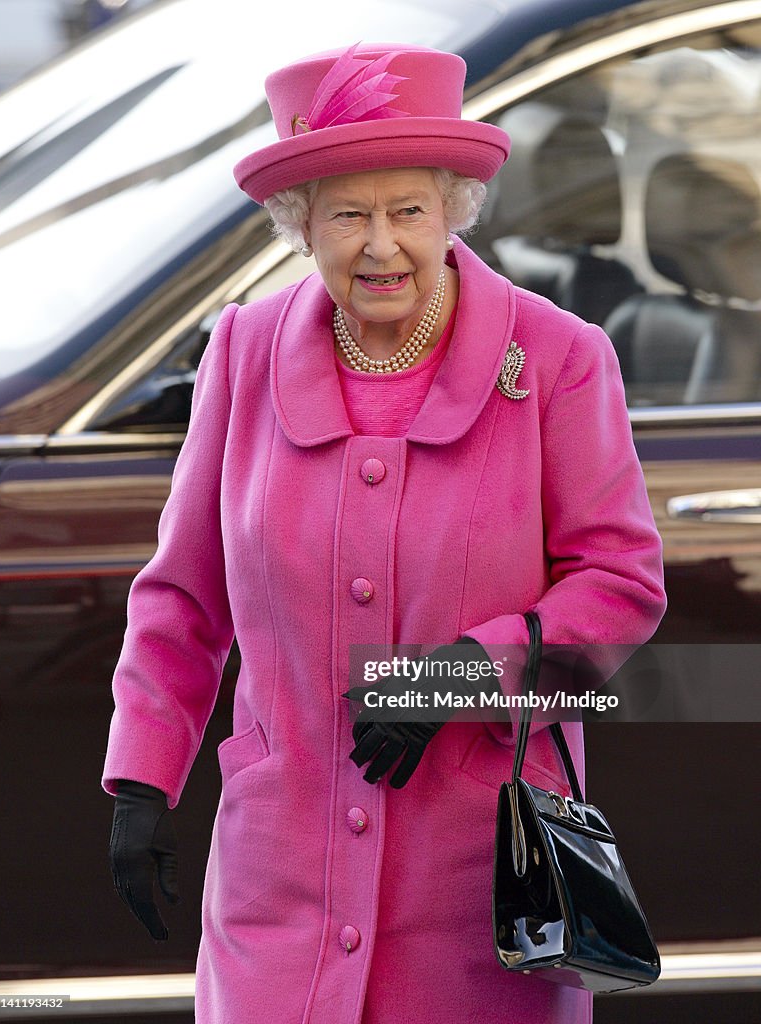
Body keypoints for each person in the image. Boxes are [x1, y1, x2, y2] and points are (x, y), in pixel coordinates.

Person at [102, 42, 666, 1024]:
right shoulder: (240, 352)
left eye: (407, 210)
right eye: (346, 214)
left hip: (483, 894)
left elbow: (619, 589)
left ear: (452, 209)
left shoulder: (558, 359)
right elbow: (183, 596)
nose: (380, 246)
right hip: (281, 884)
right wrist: (143, 777)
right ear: (297, 224)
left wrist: (453, 675)